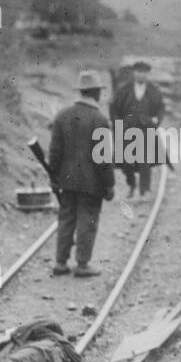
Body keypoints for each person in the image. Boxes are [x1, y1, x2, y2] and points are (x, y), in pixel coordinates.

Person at [49, 69, 115, 277]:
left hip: (66, 181)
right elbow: (103, 158)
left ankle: (60, 262)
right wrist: (110, 184)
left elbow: (55, 152)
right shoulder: (100, 121)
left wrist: (54, 178)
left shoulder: (62, 116)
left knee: (66, 218)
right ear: (95, 92)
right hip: (91, 183)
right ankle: (82, 264)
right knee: (88, 220)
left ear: (81, 91)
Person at [109, 60, 165, 199]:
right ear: (134, 73)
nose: (141, 75)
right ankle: (132, 184)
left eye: (144, 73)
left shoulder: (153, 90)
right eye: (139, 72)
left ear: (147, 75)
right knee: (127, 161)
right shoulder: (124, 90)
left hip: (146, 130)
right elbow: (113, 107)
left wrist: (157, 120)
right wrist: (117, 124)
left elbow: (160, 107)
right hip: (127, 130)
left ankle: (144, 190)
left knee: (144, 160)